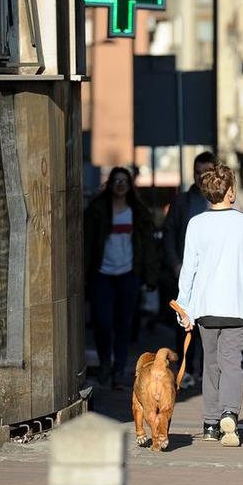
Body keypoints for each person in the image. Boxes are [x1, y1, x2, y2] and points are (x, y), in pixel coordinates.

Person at [176, 163, 243, 447]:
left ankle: (209, 423)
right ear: (230, 192)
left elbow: (188, 269)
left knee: (211, 364)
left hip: (206, 307)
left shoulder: (196, 224)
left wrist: (184, 306)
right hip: (236, 307)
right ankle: (229, 412)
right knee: (232, 363)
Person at [84, 167, 158, 390]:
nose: (120, 184)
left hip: (128, 275)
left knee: (124, 326)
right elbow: (87, 244)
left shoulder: (138, 212)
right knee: (102, 322)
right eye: (116, 180)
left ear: (129, 185)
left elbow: (148, 246)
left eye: (124, 181)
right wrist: (84, 275)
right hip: (102, 275)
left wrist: (149, 276)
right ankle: (105, 362)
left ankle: (118, 372)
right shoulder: (97, 210)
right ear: (110, 184)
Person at [163, 151, 217, 388]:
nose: (201, 176)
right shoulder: (182, 201)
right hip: (186, 273)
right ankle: (186, 370)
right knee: (185, 325)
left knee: (211, 324)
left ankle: (205, 371)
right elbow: (169, 234)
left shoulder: (221, 200)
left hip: (213, 275)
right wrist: (175, 264)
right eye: (197, 172)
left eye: (206, 172)